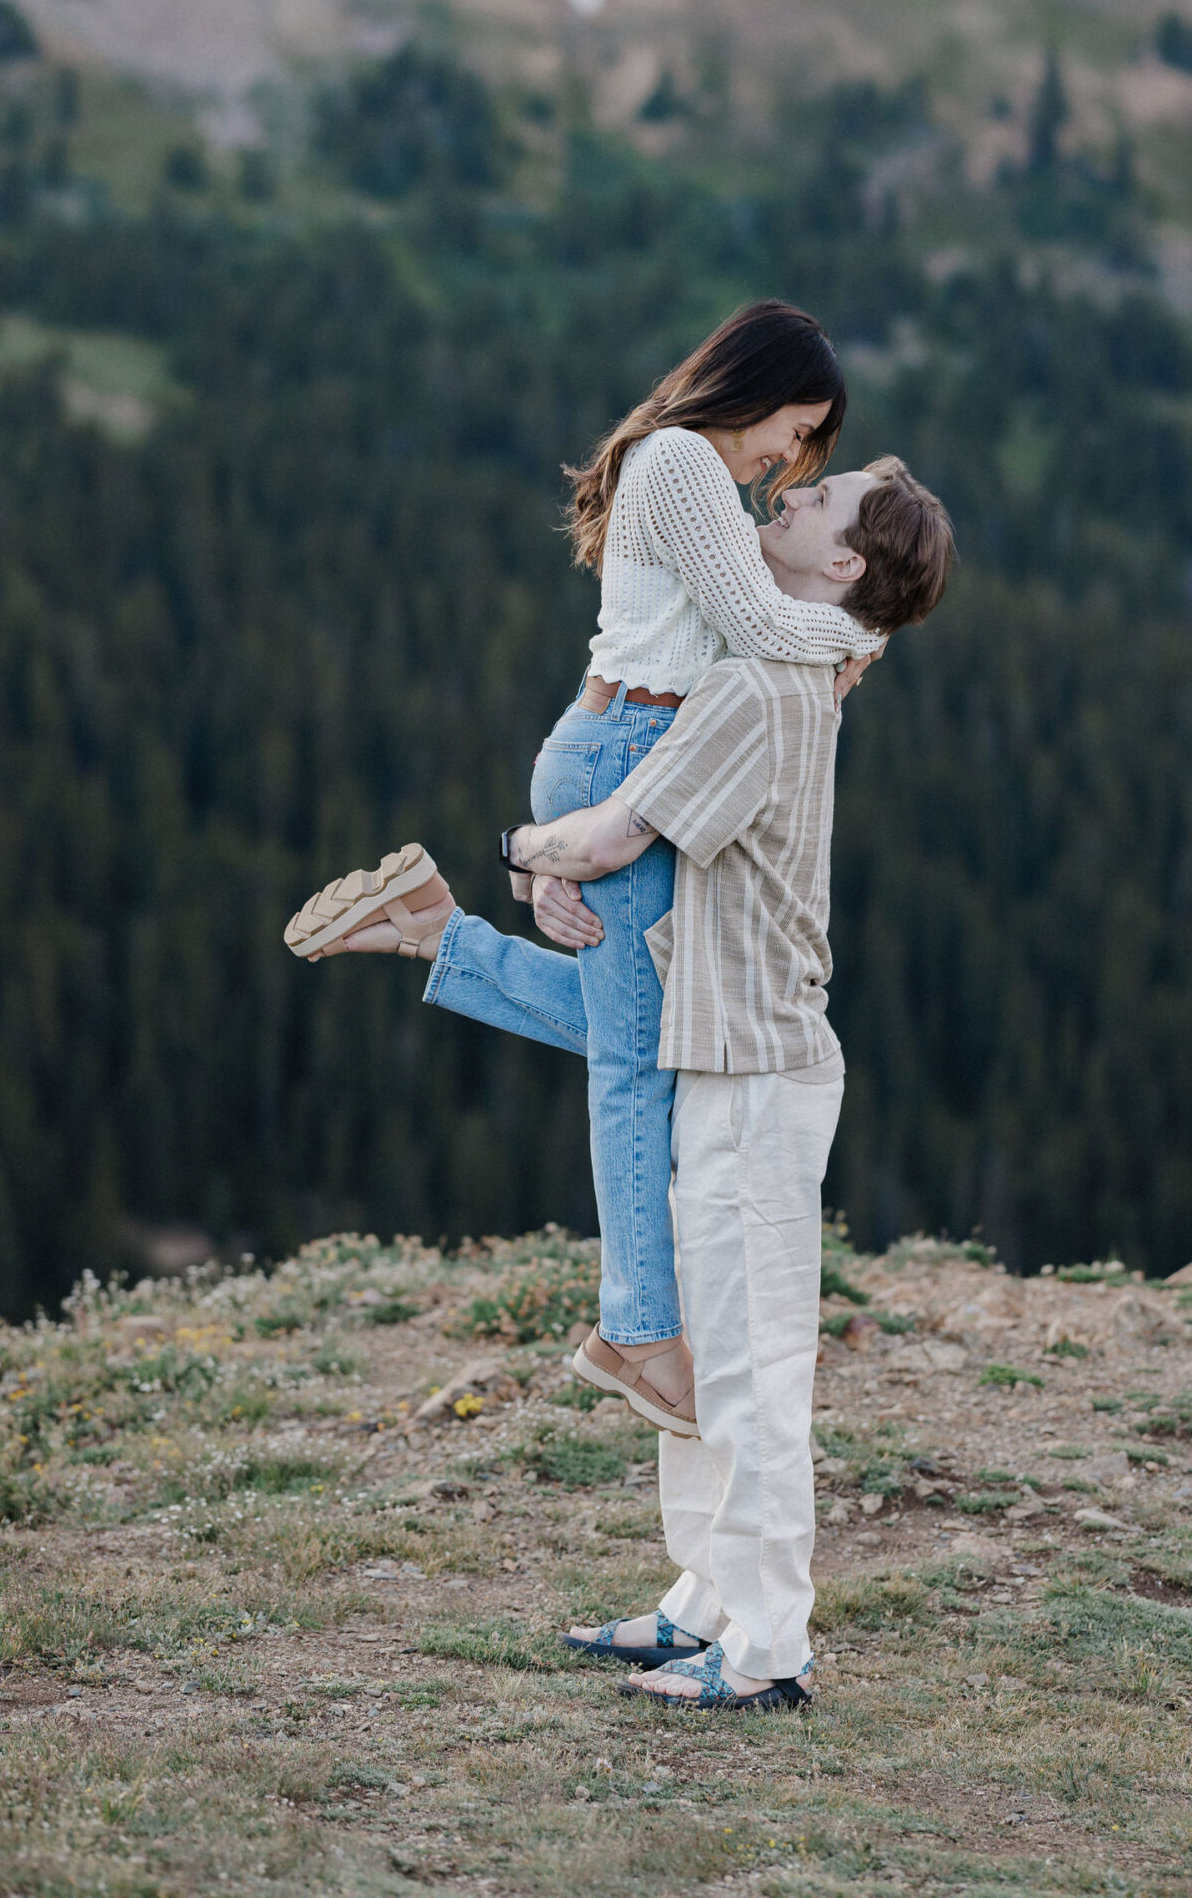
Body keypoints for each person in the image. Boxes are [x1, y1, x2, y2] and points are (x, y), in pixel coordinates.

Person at [286, 458, 955, 1711]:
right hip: (719, 1050)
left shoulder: (760, 687)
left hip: (756, 1075)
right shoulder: (787, 667)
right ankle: (701, 1603)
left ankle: (767, 1650)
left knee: (753, 1368)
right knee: (707, 1345)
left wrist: (521, 852)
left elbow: (608, 837)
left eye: (818, 500)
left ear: (846, 562)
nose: (786, 499)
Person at [287, 303, 881, 1437]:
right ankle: (642, 1333)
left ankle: (435, 932)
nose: (788, 462)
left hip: (626, 744)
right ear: (752, 388)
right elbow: (760, 624)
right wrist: (870, 630)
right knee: (634, 1063)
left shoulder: (682, 469)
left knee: (640, 1030)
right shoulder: (684, 464)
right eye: (795, 431)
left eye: (809, 453)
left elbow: (751, 615)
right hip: (632, 746)